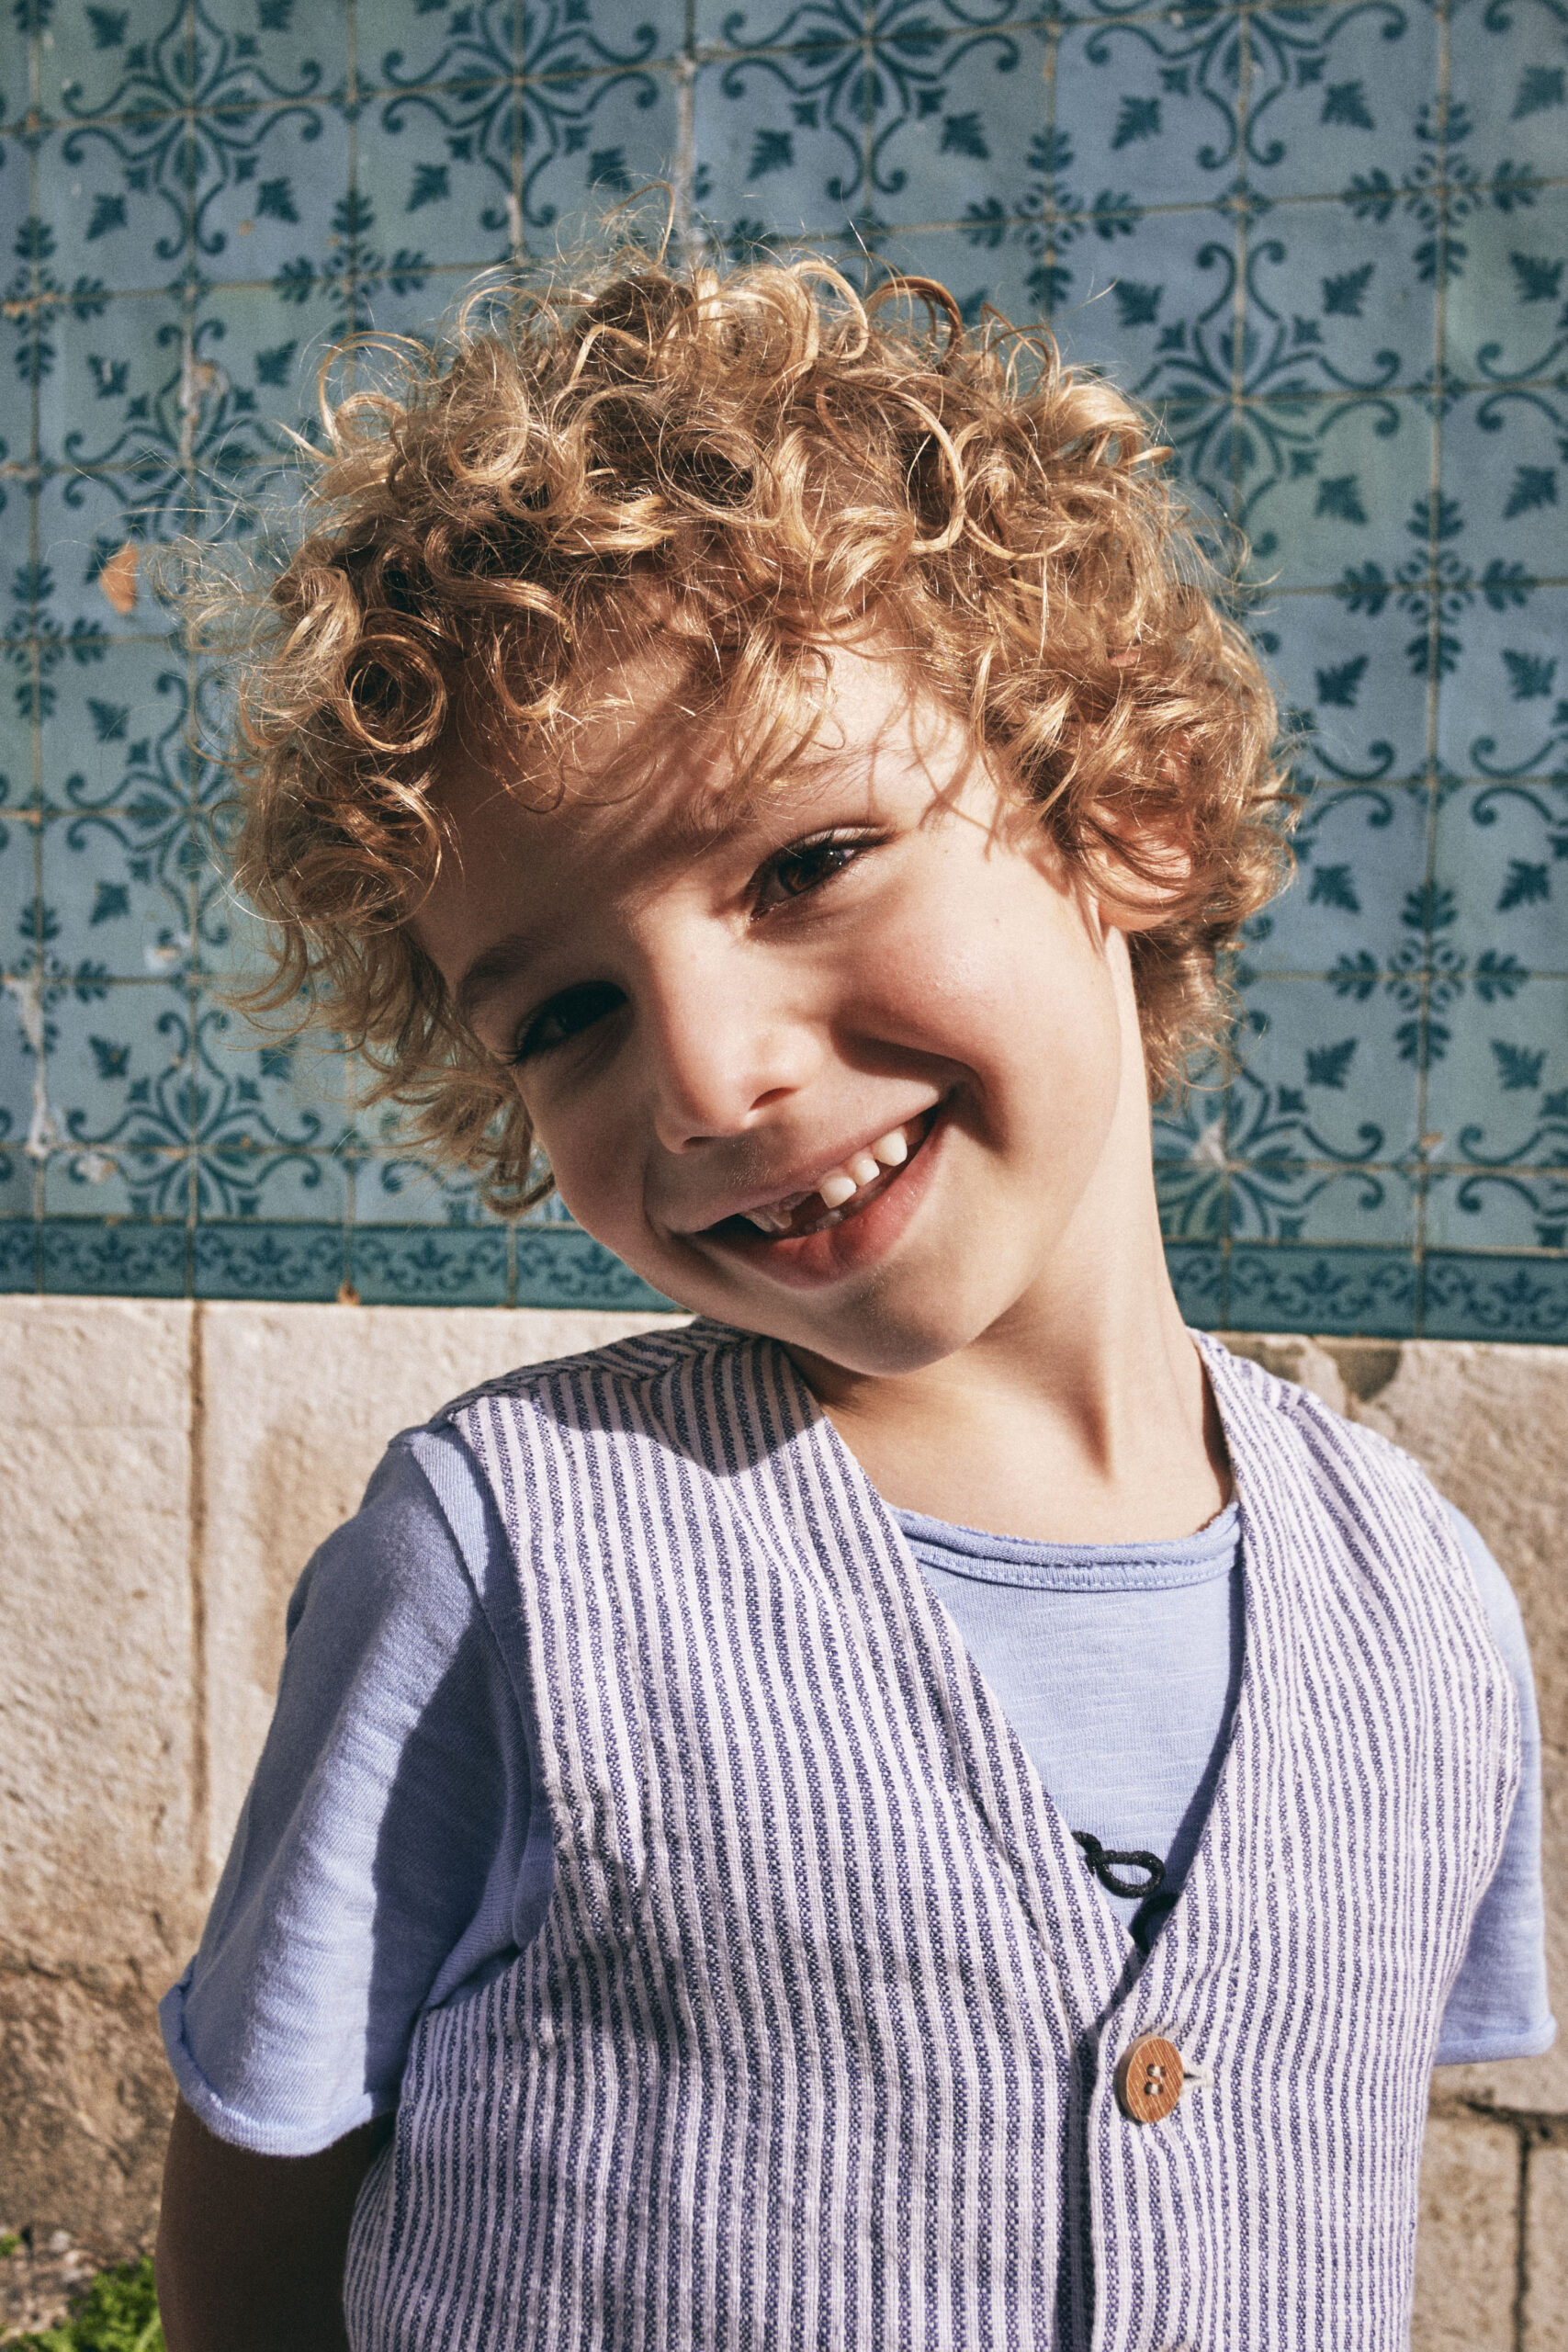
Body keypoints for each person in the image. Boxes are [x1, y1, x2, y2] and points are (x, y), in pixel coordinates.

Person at [153, 250, 1552, 2352]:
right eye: (565, 1012)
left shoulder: (1420, 1607)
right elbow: (257, 2213)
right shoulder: (506, 1565)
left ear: (1130, 812)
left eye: (803, 862)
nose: (707, 1079)